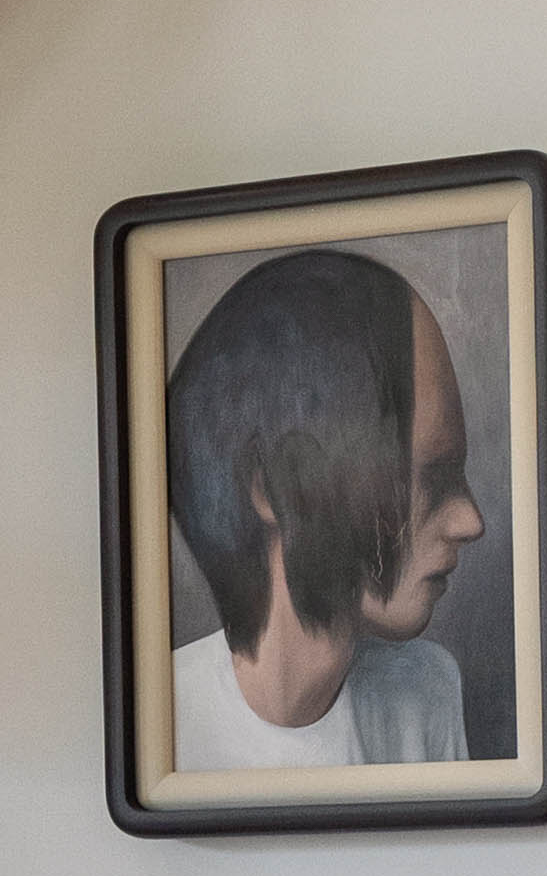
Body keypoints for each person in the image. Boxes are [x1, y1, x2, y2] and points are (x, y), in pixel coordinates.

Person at [160, 247, 490, 775]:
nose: (471, 521)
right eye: (431, 476)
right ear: (274, 490)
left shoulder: (428, 690)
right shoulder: (164, 719)